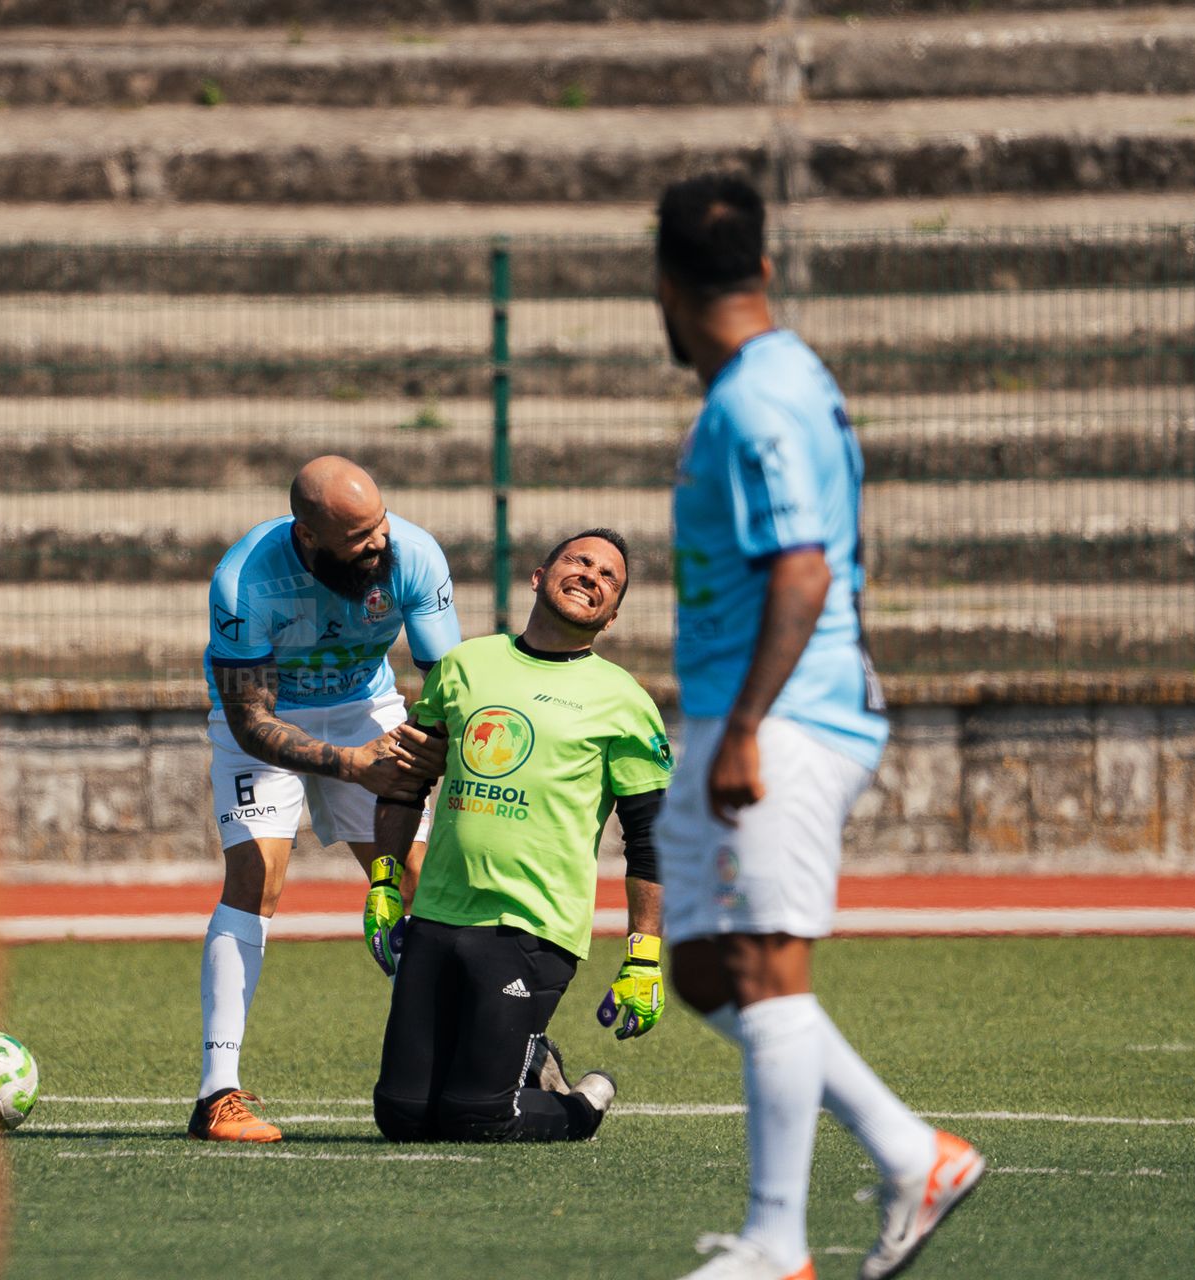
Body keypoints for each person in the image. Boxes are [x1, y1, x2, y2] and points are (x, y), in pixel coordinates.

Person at [653, 174, 984, 1280]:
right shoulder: (765, 381)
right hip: (741, 706)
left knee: (760, 958)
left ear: (663, 286)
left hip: (780, 713)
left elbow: (804, 565)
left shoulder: (759, 397)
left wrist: (747, 723)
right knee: (702, 965)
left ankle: (775, 1244)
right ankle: (909, 1150)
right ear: (766, 267)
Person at [371, 529, 671, 1143]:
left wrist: (644, 955)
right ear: (538, 576)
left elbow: (651, 839)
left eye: (608, 577)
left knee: (477, 1118)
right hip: (438, 915)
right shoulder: (461, 667)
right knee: (401, 1117)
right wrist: (385, 882)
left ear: (611, 616)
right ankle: (532, 1061)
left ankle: (585, 1101)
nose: (591, 576)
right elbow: (406, 783)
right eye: (579, 561)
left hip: (533, 928)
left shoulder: (625, 702)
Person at [193, 455, 457, 1142]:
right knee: (257, 877)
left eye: (380, 525)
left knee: (423, 884)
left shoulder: (414, 555)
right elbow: (251, 721)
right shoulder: (245, 580)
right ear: (309, 537)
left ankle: (452, 1068)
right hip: (268, 716)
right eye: (359, 537)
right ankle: (217, 1093)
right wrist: (349, 767)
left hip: (367, 704)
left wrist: (422, 749)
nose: (379, 544)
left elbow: (446, 684)